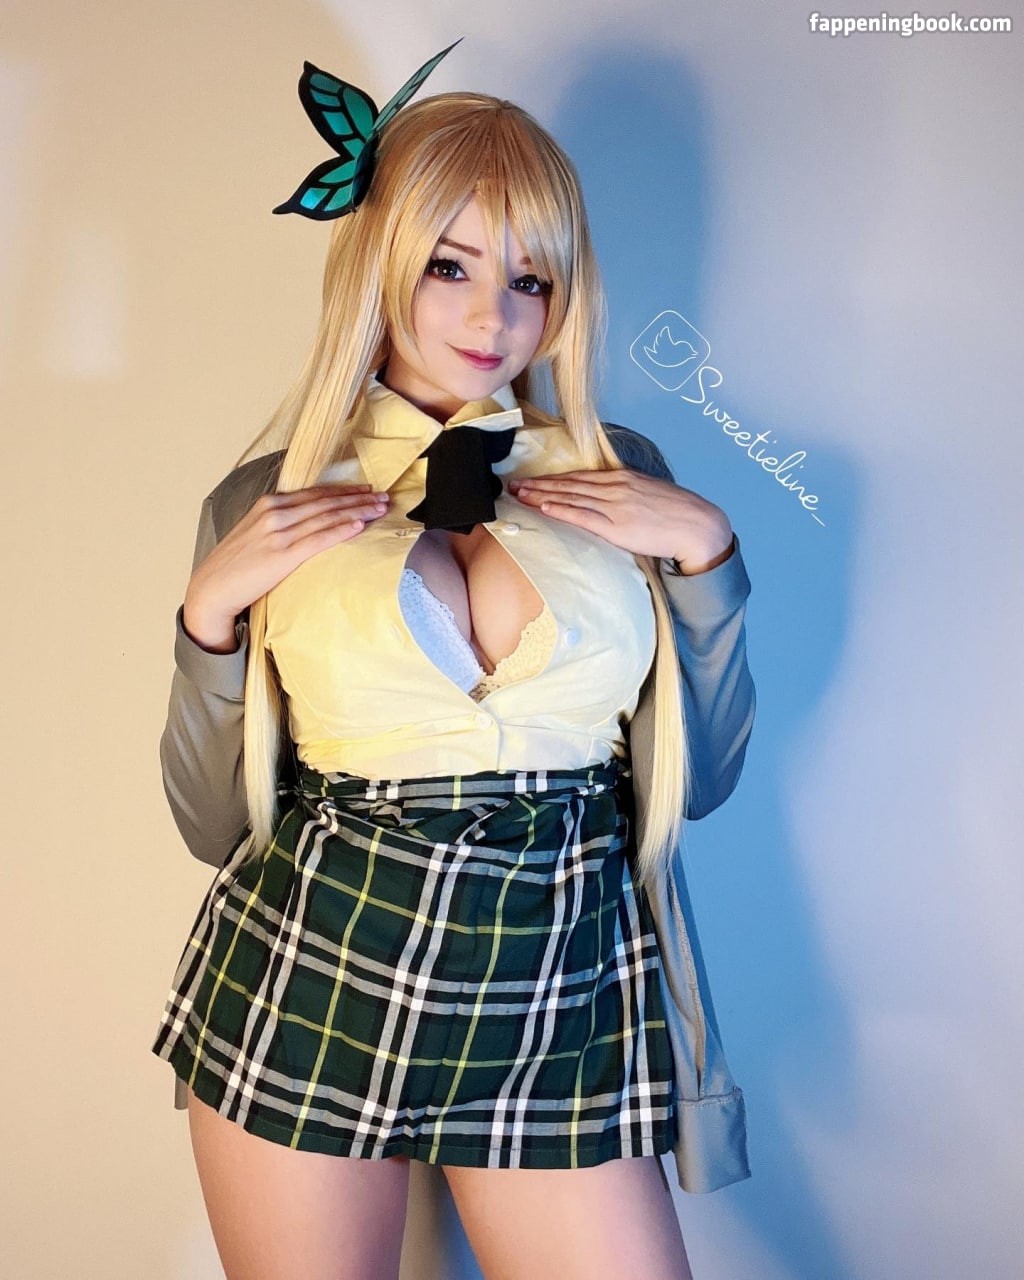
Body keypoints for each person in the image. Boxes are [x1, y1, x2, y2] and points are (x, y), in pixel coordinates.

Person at [151, 40, 756, 1280]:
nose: (494, 316)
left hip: (557, 971)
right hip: (314, 960)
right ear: (379, 262)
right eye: (450, 265)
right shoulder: (267, 499)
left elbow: (696, 781)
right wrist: (208, 615)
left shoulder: (622, 474)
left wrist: (706, 553)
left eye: (531, 278)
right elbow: (214, 823)